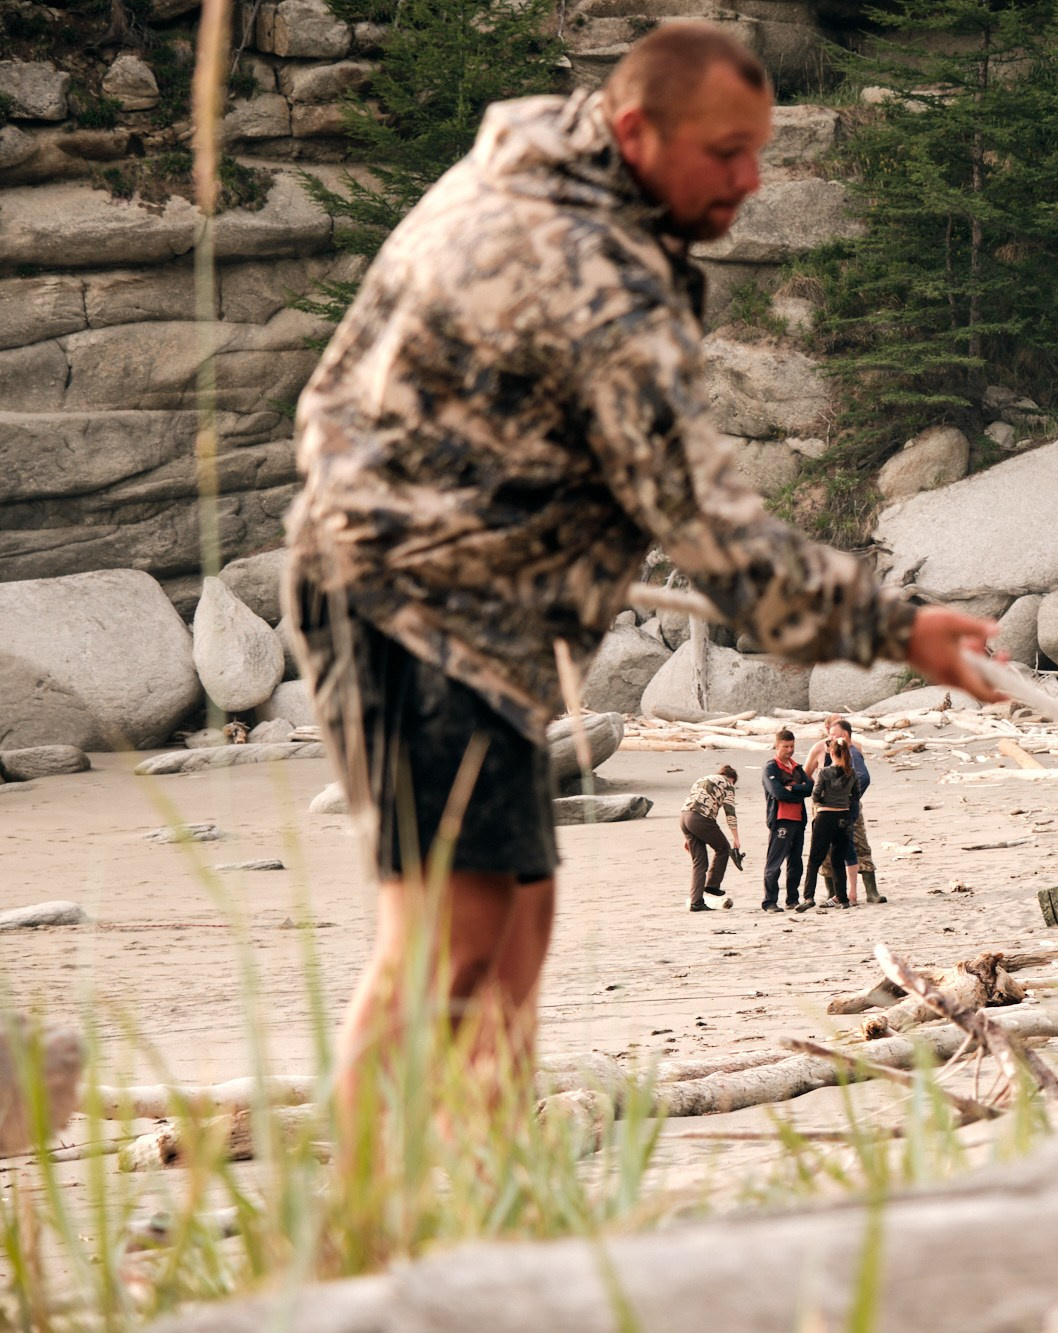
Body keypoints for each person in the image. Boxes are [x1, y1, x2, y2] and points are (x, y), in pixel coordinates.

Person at [283, 20, 1000, 1125]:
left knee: (517, 917)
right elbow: (708, 528)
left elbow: (339, 402)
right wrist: (895, 630)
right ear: (632, 129)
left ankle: (478, 1194)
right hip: (406, 606)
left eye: (757, 151)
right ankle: (356, 1239)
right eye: (724, 154)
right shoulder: (594, 267)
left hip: (481, 613)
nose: (750, 181)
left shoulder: (531, 165)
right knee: (453, 936)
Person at [807, 715, 882, 904]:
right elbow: (806, 774)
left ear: (845, 733)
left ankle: (870, 891)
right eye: (829, 732)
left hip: (847, 806)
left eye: (834, 733)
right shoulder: (818, 748)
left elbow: (862, 777)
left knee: (858, 845)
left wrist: (851, 799)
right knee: (826, 852)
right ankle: (832, 891)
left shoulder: (854, 748)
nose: (831, 736)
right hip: (825, 808)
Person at [798, 738, 857, 911]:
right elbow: (856, 795)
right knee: (839, 859)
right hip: (844, 817)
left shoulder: (824, 773)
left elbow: (815, 795)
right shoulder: (851, 773)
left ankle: (809, 897)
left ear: (831, 753)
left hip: (826, 816)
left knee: (815, 859)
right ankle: (843, 898)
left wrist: (826, 800)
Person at [761, 729, 812, 912]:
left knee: (796, 862)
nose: (789, 750)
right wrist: (796, 791)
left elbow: (810, 788)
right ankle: (769, 902)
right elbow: (777, 792)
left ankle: (792, 899)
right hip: (781, 819)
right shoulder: (770, 768)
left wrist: (792, 789)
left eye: (792, 746)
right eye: (785, 746)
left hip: (798, 819)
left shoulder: (796, 767)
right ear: (777, 746)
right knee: (775, 862)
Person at [680, 764, 739, 912]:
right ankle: (712, 885)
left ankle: (696, 902)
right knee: (723, 848)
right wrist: (735, 838)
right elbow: (730, 812)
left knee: (699, 863)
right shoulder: (728, 784)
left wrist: (687, 838)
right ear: (732, 779)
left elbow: (694, 802)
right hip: (701, 818)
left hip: (684, 817)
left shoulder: (702, 779)